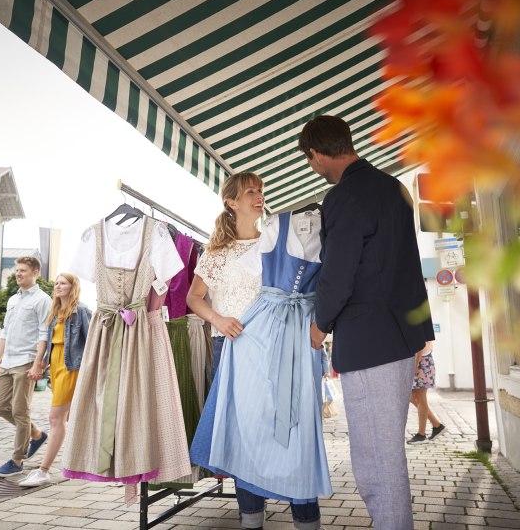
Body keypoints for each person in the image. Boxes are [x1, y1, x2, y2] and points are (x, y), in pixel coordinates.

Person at [299, 115, 434, 530]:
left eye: (309, 159)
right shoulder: (393, 187)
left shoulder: (343, 196)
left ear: (318, 154)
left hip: (370, 342)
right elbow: (405, 265)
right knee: (386, 453)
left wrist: (319, 327)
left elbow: (339, 273)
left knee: (376, 463)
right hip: (400, 337)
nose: (311, 166)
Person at [189, 172, 330, 530]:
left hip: (280, 348)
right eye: (250, 191)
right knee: (243, 438)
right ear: (231, 202)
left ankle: (305, 518)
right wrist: (218, 320)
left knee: (294, 431)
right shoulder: (216, 253)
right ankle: (251, 519)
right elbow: (194, 297)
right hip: (231, 347)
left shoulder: (276, 239)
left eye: (261, 190)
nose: (259, 196)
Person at [19, 273, 91, 487]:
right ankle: (76, 463)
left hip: (72, 368)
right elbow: (54, 343)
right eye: (57, 283)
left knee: (55, 418)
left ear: (73, 286)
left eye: (63, 283)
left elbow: (92, 343)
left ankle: (43, 470)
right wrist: (43, 363)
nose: (58, 286)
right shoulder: (55, 311)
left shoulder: (82, 311)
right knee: (63, 419)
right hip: (57, 368)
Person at [0, 256, 52, 477]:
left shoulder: (43, 300)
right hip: (7, 361)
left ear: (35, 273)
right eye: (17, 270)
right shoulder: (12, 300)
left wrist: (38, 364)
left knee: (20, 410)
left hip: (26, 361)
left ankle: (17, 460)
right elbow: (5, 332)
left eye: (23, 270)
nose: (18, 274)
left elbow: (43, 334)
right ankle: (36, 434)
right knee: (0, 407)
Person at [407, 341, 446, 444]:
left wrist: (415, 365)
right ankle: (437, 425)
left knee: (420, 398)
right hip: (421, 361)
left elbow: (419, 345)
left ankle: (421, 435)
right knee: (412, 396)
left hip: (422, 362)